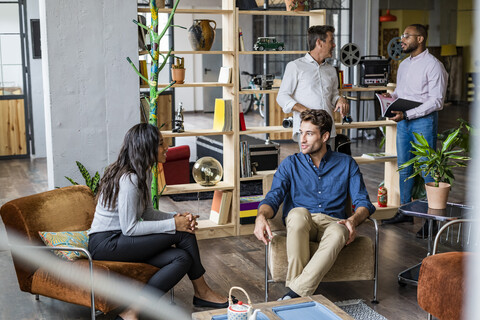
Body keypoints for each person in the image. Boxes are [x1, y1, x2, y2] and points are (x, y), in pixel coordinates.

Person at [88, 123, 228, 320]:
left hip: (123, 240)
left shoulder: (143, 172)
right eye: (161, 144)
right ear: (147, 147)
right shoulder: (129, 179)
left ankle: (132, 312)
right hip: (106, 243)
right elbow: (130, 228)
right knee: (182, 232)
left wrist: (177, 218)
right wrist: (175, 225)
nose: (167, 147)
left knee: (182, 258)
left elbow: (147, 212)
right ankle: (202, 292)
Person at [253, 110, 375, 299]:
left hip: (333, 222)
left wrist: (352, 220)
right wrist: (261, 216)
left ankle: (294, 294)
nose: (302, 139)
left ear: (325, 136)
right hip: (302, 222)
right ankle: (298, 294)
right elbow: (273, 198)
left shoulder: (346, 164)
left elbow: (363, 203)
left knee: (340, 231)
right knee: (297, 214)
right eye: (301, 132)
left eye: (309, 134)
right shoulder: (290, 164)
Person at [381, 24, 447, 233]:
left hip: (423, 121)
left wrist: (408, 114)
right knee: (405, 169)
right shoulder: (404, 65)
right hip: (404, 121)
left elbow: (436, 101)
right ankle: (405, 212)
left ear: (420, 39)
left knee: (428, 170)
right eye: (402, 36)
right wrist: (388, 100)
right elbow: (401, 92)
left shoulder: (434, 65)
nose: (402, 40)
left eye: (406, 36)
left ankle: (432, 220)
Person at [276, 25, 349, 148]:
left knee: (329, 166)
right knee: (309, 167)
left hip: (328, 131)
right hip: (307, 131)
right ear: (319, 43)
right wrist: (305, 111)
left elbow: (333, 95)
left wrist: (340, 99)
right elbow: (282, 97)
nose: (334, 45)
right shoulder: (295, 66)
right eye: (331, 41)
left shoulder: (331, 70)